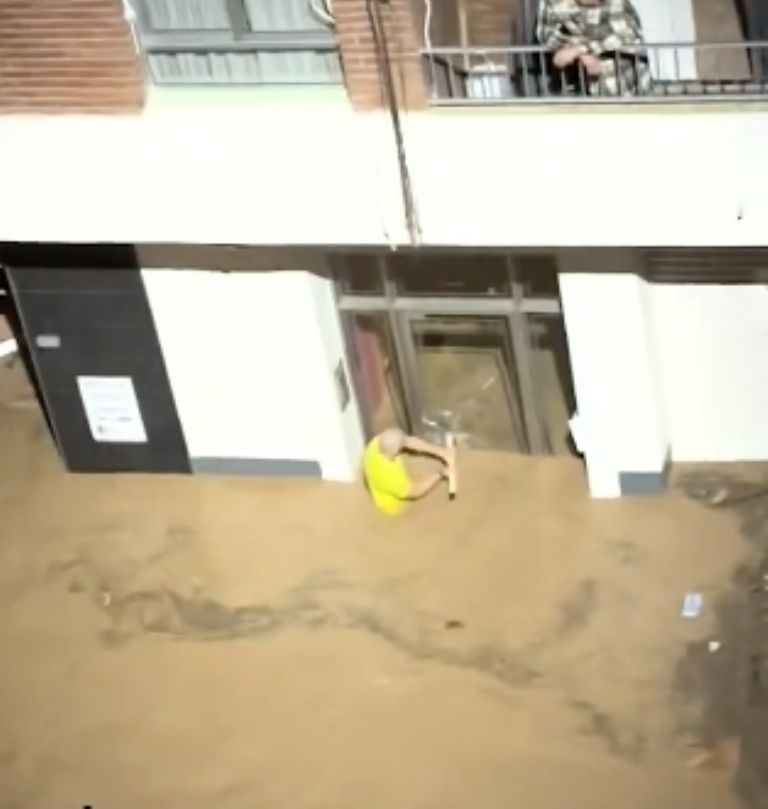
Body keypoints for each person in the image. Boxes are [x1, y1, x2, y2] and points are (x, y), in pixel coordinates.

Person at [537, 0, 650, 96]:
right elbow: (549, 40)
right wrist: (581, 56)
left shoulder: (617, 3)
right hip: (575, 90)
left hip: (624, 84)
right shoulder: (556, 5)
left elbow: (626, 36)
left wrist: (579, 50)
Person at [363, 427, 454, 516]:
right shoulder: (389, 476)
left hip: (387, 474)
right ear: (395, 453)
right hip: (393, 506)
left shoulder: (375, 443)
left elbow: (409, 442)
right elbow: (414, 491)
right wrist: (441, 474)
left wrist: (442, 452)